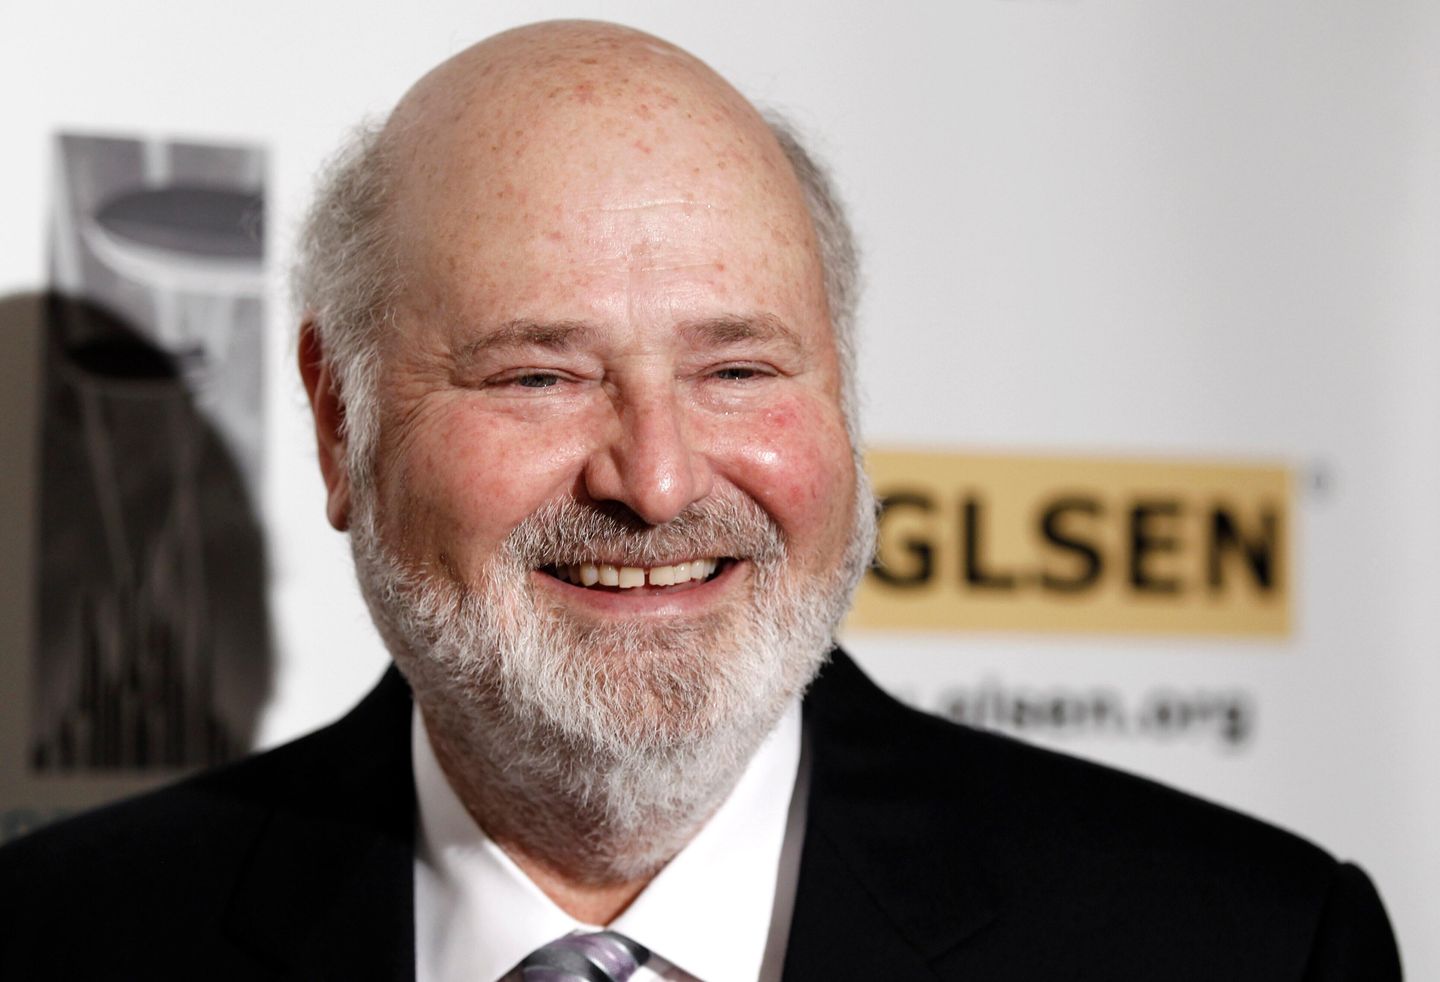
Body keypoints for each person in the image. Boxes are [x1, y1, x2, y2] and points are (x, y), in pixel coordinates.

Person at [0, 20, 1402, 982]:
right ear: (336, 421)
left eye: (738, 369)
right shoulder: (57, 940)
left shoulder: (1247, 946)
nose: (658, 478)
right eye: (541, 375)